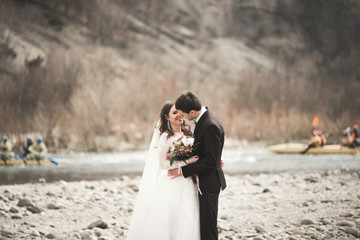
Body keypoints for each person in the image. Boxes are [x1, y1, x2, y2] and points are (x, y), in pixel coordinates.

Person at [126, 101, 200, 240]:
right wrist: (186, 161)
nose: (179, 115)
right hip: (172, 182)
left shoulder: (187, 132)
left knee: (187, 216)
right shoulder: (166, 136)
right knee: (169, 219)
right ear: (166, 117)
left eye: (179, 111)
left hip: (187, 181)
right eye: (174, 113)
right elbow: (163, 164)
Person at [168, 91, 227, 240]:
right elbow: (210, 153)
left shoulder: (210, 125)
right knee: (204, 223)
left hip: (209, 183)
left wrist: (182, 170)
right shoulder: (206, 119)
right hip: (206, 180)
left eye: (183, 113)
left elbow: (210, 161)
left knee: (208, 227)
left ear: (192, 112)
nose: (182, 117)